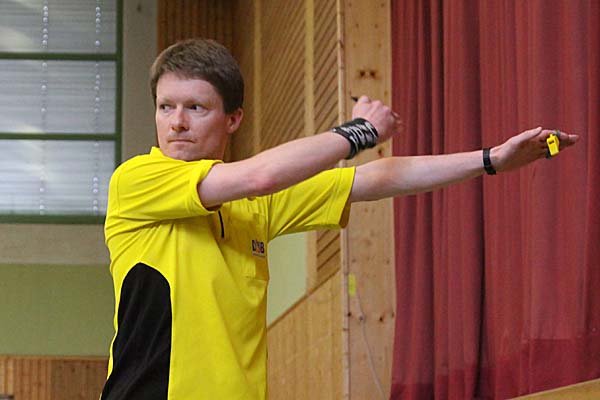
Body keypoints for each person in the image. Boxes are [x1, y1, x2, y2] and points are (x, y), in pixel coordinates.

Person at [100, 38, 578, 400]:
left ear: (233, 119)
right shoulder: (137, 181)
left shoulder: (252, 205)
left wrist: (491, 159)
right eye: (166, 107)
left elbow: (376, 178)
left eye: (195, 107)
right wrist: (359, 131)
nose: (177, 122)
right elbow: (262, 174)